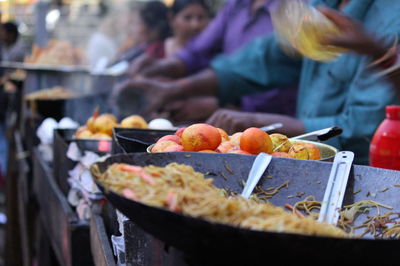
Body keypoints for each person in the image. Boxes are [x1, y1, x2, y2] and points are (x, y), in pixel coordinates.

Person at [116, 0, 400, 165]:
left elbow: (363, 126)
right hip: (308, 167)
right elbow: (267, 57)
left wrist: (257, 122)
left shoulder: (390, 20)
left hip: (364, 176)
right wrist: (174, 87)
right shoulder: (322, 5)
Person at [120, 0, 298, 124]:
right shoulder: (235, 5)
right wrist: (161, 67)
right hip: (234, 118)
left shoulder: (298, 8)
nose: (195, 24)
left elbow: (264, 63)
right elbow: (198, 51)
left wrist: (180, 90)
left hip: (280, 123)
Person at [128, 0, 211, 74]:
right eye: (187, 18)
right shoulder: (156, 50)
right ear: (171, 18)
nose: (195, 25)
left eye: (201, 18)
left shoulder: (211, 51)